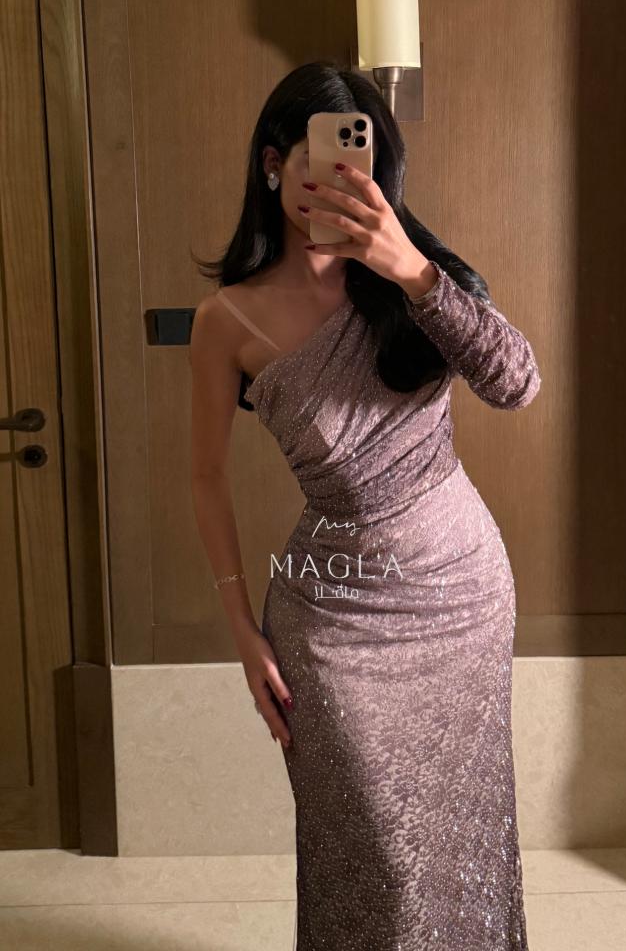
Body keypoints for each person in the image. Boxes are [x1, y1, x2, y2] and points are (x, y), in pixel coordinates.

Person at [190, 60, 540, 950]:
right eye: (322, 162)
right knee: (374, 850)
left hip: (460, 595)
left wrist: (412, 271)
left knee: (458, 840)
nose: (341, 183)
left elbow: (517, 384)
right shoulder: (226, 319)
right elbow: (205, 477)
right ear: (275, 163)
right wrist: (241, 630)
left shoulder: (415, 280)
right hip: (331, 616)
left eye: (361, 163)